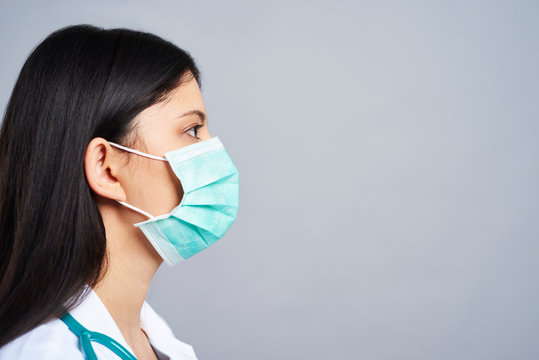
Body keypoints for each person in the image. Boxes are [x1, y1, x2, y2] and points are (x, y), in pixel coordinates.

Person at [0, 24, 239, 360]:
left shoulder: (150, 334)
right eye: (192, 129)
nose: (213, 150)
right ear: (106, 168)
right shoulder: (45, 352)